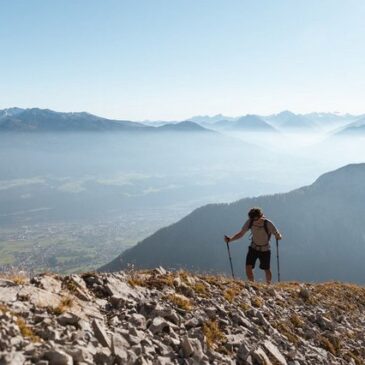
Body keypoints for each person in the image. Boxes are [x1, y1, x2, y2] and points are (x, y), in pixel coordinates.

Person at [224, 207, 282, 284]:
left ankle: (268, 286)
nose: (255, 221)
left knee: (266, 269)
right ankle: (252, 285)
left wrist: (278, 236)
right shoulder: (250, 222)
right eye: (253, 219)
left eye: (256, 219)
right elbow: (241, 233)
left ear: (261, 216)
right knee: (248, 267)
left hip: (265, 250)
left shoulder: (268, 223)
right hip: (253, 248)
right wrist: (230, 239)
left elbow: (278, 234)